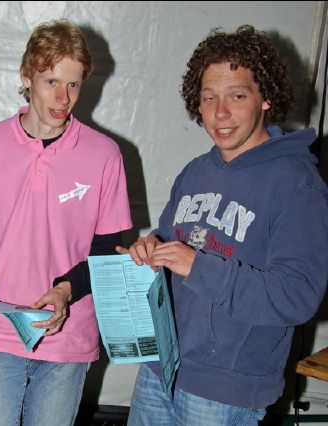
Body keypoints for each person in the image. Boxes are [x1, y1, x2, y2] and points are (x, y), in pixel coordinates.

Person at [118, 25, 328, 425]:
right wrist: (151, 249)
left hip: (226, 390)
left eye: (237, 96)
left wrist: (198, 267)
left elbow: (298, 297)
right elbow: (173, 245)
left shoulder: (297, 185)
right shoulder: (195, 172)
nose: (220, 113)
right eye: (208, 97)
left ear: (266, 98)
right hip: (161, 369)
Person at [0, 19, 132, 425]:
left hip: (69, 334)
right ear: (26, 77)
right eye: (51, 82)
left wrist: (65, 290)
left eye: (74, 84)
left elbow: (108, 249)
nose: (63, 98)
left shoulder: (105, 155)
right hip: (1, 326)